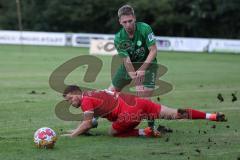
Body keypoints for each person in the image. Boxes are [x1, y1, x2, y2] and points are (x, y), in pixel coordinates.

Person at [61, 85, 227, 138]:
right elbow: (90, 121)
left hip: (128, 113)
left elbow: (88, 122)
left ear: (77, 94)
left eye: (70, 99)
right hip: (138, 102)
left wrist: (73, 134)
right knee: (175, 113)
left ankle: (145, 132)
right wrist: (80, 129)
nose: (70, 102)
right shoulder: (93, 93)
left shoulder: (85, 101)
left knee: (112, 132)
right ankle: (211, 115)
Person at [108, 4, 158, 98]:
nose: (128, 25)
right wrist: (137, 82)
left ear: (134, 18)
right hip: (129, 65)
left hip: (148, 65)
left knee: (144, 99)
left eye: (130, 21)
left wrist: (142, 69)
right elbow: (126, 60)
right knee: (110, 93)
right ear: (120, 22)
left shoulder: (145, 29)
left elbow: (153, 51)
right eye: (125, 22)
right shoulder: (118, 38)